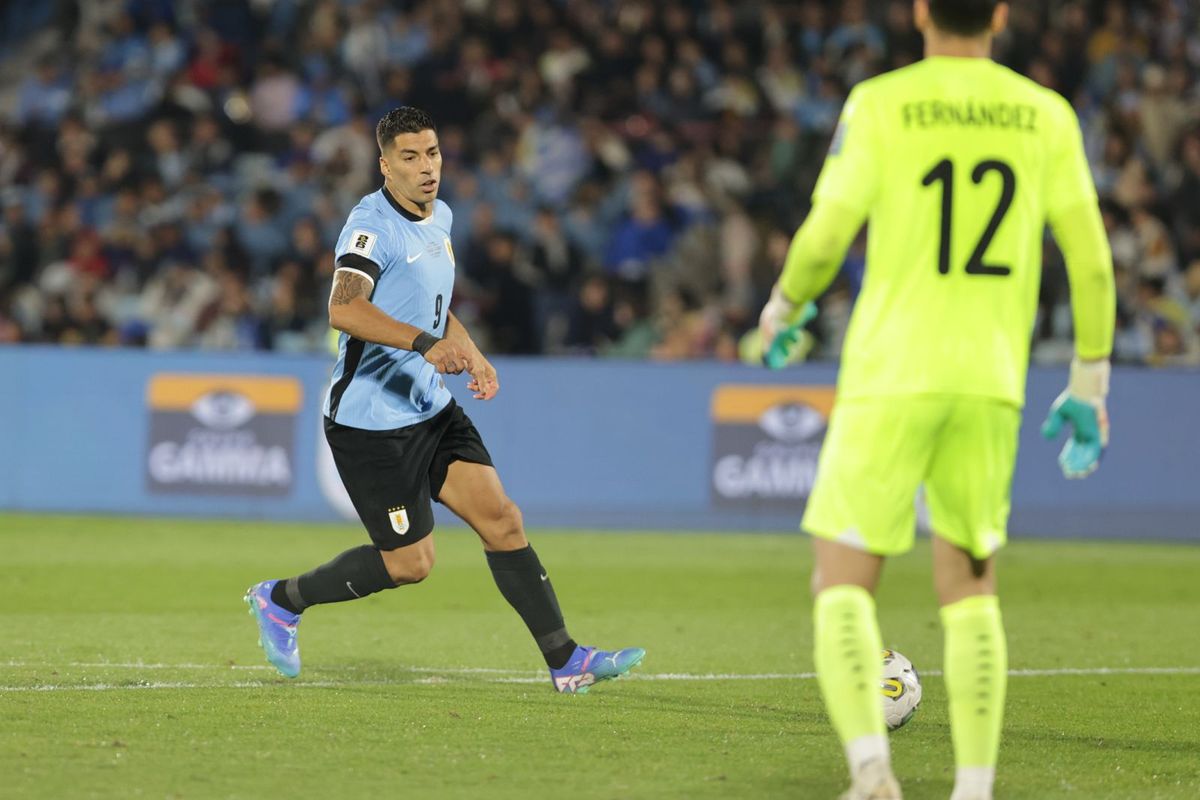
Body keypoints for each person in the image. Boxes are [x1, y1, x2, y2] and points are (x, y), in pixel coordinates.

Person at [756, 2, 1115, 798]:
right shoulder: (1044, 114)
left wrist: (783, 308)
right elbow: (1090, 262)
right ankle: (974, 789)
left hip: (891, 373)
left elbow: (826, 233)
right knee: (970, 588)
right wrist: (1090, 383)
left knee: (843, 584)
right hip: (991, 382)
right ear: (1001, 12)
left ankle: (873, 773)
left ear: (920, 10)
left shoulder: (881, 103)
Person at [245, 106, 644, 694]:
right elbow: (344, 308)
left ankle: (567, 661)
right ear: (385, 166)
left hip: (429, 407)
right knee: (412, 564)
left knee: (503, 519)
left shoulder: (442, 217)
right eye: (410, 157)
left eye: (432, 153)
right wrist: (427, 344)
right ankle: (281, 601)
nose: (426, 167)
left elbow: (430, 303)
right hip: (371, 422)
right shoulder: (369, 227)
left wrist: (469, 350)